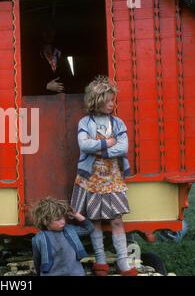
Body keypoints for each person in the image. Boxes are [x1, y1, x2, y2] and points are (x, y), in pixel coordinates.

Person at [70, 76, 137, 276]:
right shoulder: (85, 122)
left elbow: (123, 147)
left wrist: (100, 150)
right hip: (91, 179)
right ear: (96, 100)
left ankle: (123, 262)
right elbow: (84, 144)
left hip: (113, 178)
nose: (112, 104)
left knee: (116, 220)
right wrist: (107, 143)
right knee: (96, 220)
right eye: (108, 100)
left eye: (112, 100)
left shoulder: (117, 123)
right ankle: (100, 260)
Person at [31, 197, 94, 276]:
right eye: (58, 219)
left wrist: (75, 214)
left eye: (63, 218)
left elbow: (89, 228)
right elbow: (37, 261)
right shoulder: (38, 239)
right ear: (45, 221)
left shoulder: (70, 230)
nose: (63, 222)